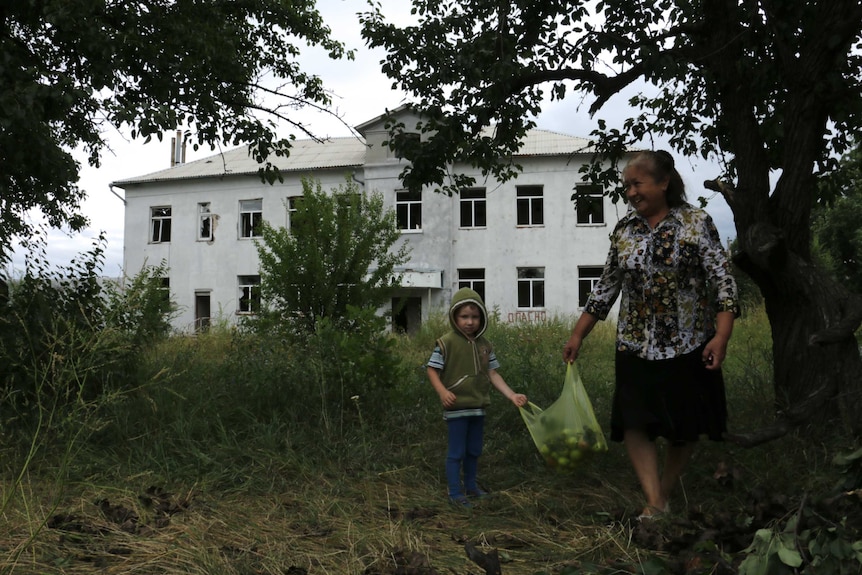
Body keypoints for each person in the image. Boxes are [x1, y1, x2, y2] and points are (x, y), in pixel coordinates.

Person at [563, 150, 739, 519]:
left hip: (688, 345)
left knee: (684, 428)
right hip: (634, 344)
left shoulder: (696, 223)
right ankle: (655, 501)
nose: (630, 192)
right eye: (626, 185)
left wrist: (720, 337)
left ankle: (663, 494)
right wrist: (578, 335)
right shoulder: (625, 230)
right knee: (634, 424)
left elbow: (723, 282)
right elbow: (607, 286)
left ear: (663, 182)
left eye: (637, 183)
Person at [427, 287, 528, 507]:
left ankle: (471, 487)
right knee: (457, 451)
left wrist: (512, 395)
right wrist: (443, 392)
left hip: (477, 407)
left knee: (474, 450)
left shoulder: (485, 345)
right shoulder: (446, 343)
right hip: (457, 408)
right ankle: (455, 493)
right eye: (464, 316)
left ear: (481, 317)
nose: (470, 322)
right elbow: (432, 370)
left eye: (474, 316)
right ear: (455, 317)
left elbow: (493, 373)